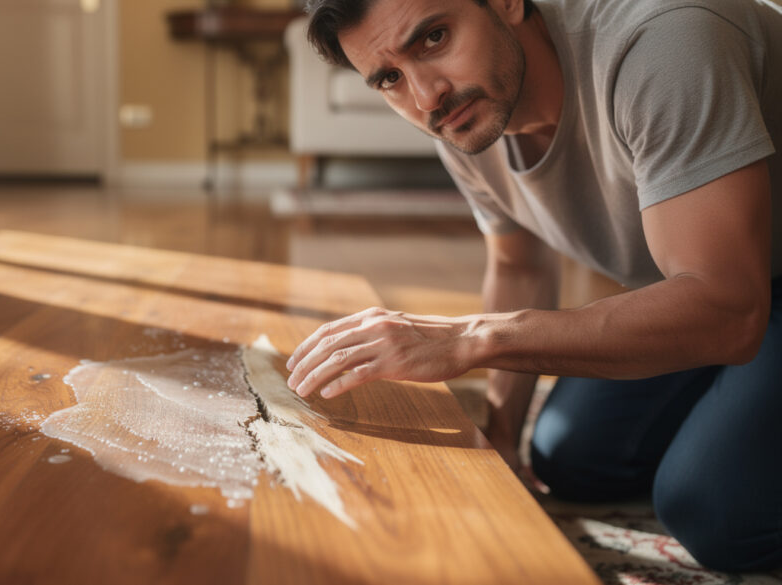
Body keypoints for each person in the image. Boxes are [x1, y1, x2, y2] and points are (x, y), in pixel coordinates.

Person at [285, 0, 782, 572]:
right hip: (728, 282)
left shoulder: (661, 43)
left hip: (736, 293)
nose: (426, 97)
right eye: (390, 78)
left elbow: (728, 310)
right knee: (569, 456)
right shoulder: (466, 113)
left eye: (434, 38)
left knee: (712, 511)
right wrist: (499, 432)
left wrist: (474, 337)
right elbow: (519, 265)